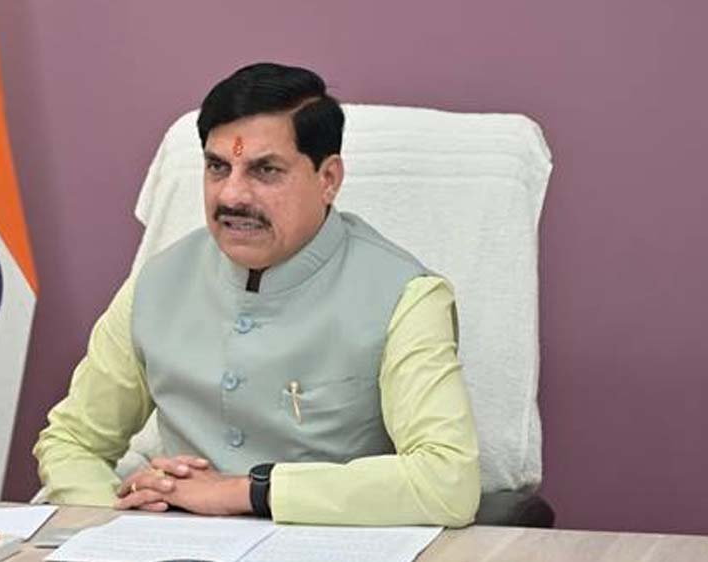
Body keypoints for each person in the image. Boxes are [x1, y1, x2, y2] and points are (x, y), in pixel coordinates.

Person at [34, 62, 480, 527]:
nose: (232, 195)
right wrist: (120, 517)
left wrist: (247, 491)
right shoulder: (157, 284)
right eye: (217, 167)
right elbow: (71, 442)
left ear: (328, 179)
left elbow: (447, 481)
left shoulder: (405, 297)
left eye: (265, 170)